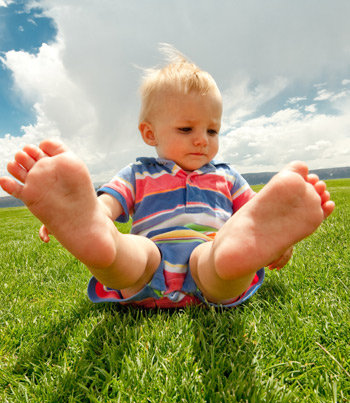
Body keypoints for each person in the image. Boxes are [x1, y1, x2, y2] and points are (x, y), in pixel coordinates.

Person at [0, 47, 335, 309]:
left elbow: (259, 216)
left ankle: (237, 257)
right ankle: (103, 245)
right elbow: (105, 207)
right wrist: (78, 217)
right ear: (150, 133)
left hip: (208, 256)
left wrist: (278, 242)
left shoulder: (227, 177)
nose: (202, 139)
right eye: (186, 129)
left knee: (219, 257)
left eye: (212, 129)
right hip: (150, 261)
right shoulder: (137, 173)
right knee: (135, 251)